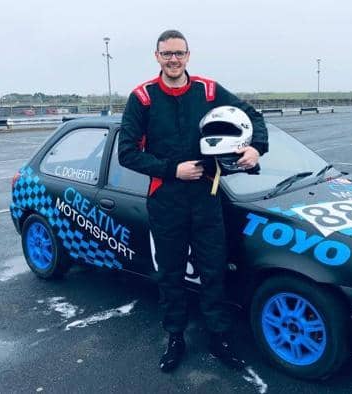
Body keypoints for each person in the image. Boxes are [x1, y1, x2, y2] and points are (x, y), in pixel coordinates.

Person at [118, 29, 268, 372]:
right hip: (166, 199)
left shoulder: (209, 90)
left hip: (206, 197)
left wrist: (255, 147)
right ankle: (175, 338)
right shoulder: (142, 98)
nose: (173, 59)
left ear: (188, 55)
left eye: (179, 53)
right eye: (167, 54)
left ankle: (219, 338)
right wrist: (173, 169)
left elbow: (253, 118)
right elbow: (126, 153)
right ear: (157, 57)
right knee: (170, 274)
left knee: (213, 271)